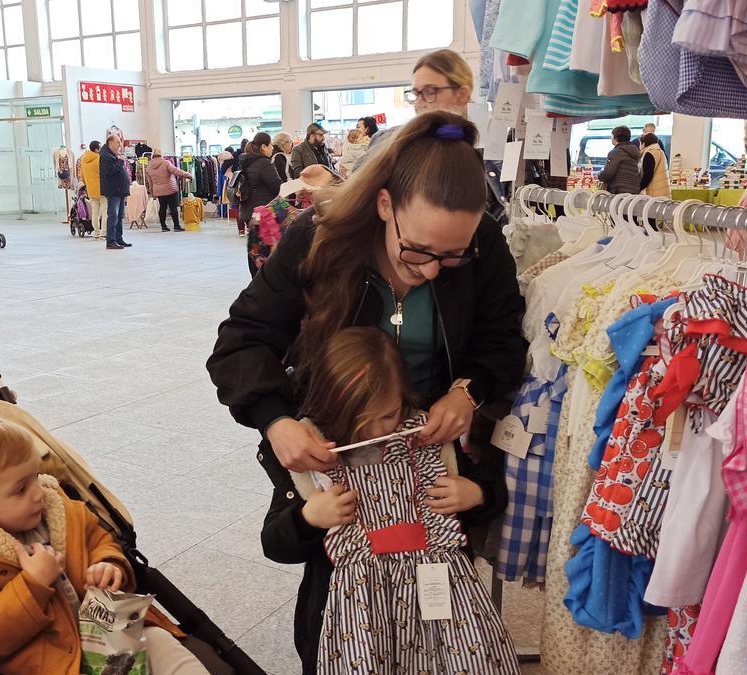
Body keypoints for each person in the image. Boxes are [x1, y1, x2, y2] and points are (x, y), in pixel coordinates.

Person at [207, 113, 527, 668]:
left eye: (452, 255)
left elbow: (502, 339)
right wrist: (275, 419)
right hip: (339, 446)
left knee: (441, 608)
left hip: (429, 450)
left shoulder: (482, 246)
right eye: (419, 250)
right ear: (384, 205)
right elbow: (243, 340)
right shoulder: (318, 239)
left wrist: (467, 393)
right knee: (337, 590)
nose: (432, 271)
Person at [260, 327, 521, 673]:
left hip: (445, 610)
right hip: (358, 623)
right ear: (332, 406)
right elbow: (274, 543)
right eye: (363, 420)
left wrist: (477, 494)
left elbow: (491, 493)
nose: (378, 430)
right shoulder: (311, 462)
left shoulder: (429, 439)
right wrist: (308, 518)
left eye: (389, 415)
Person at [0, 416, 209, 675]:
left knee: (159, 641)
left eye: (36, 477)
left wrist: (109, 564)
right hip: (47, 660)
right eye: (20, 489)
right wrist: (32, 585)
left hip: (106, 626)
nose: (38, 492)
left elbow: (99, 540)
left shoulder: (59, 510)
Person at [357, 49, 474, 171]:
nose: (419, 103)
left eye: (430, 91)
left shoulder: (485, 154)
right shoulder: (386, 142)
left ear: (462, 95)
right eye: (415, 94)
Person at [238, 132, 283, 268]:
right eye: (270, 146)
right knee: (265, 248)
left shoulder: (246, 161)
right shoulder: (264, 163)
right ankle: (261, 278)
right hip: (263, 211)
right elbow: (277, 187)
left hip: (248, 210)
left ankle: (255, 277)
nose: (272, 149)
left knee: (254, 246)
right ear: (264, 146)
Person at [146, 148, 192, 232]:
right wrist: (188, 175)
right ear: (161, 154)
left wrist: (153, 193)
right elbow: (176, 171)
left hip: (159, 191)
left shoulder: (148, 167)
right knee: (173, 208)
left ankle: (163, 226)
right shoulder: (166, 163)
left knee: (162, 208)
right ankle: (176, 226)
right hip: (170, 189)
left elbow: (150, 182)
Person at [100, 133, 131, 250]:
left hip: (119, 191)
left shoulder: (113, 154)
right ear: (110, 143)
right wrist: (120, 161)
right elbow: (110, 171)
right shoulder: (106, 156)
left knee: (119, 216)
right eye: (117, 142)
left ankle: (118, 239)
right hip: (114, 191)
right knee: (113, 216)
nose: (119, 144)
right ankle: (111, 241)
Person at [598, 125, 642, 195]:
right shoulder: (634, 151)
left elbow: (608, 173)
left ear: (615, 137)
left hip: (619, 191)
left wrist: (599, 175)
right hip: (634, 191)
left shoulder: (616, 152)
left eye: (612, 136)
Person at [79, 140, 106, 239]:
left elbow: (82, 176)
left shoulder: (83, 160)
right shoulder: (99, 159)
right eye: (100, 147)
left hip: (91, 191)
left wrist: (88, 185)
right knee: (104, 212)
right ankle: (103, 233)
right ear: (96, 149)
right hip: (102, 190)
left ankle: (96, 233)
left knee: (95, 213)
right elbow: (104, 174)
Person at [639, 132, 670, 197]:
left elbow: (647, 175)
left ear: (643, 143)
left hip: (654, 191)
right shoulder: (659, 151)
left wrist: (639, 187)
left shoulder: (649, 153)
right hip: (662, 189)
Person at [215, 147, 233, 217]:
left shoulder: (221, 161)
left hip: (223, 175)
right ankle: (227, 212)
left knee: (222, 193)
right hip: (228, 176)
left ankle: (222, 212)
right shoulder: (232, 161)